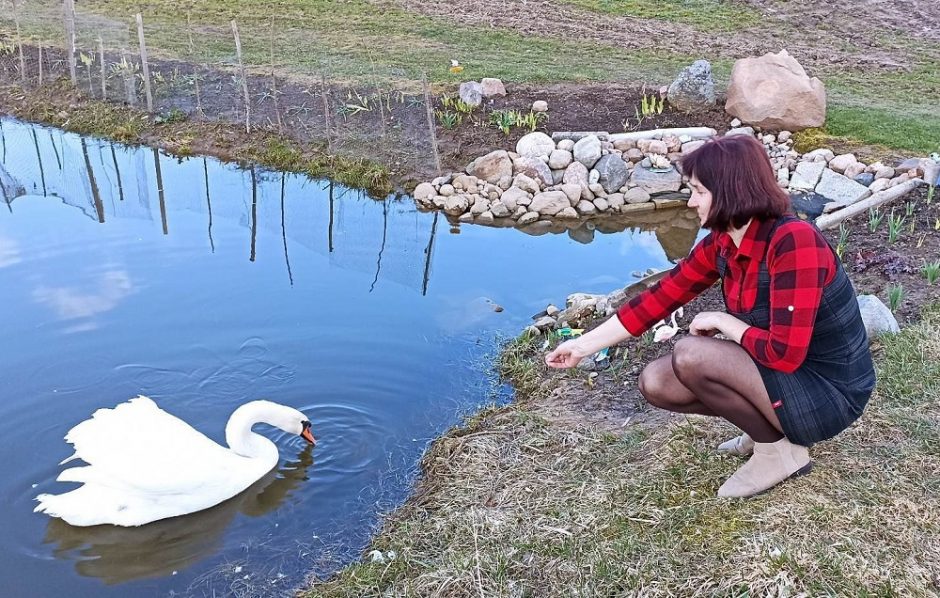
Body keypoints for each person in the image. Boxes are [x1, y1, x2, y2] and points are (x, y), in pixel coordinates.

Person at [545, 135, 876, 498]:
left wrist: (726, 323)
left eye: (699, 191)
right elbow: (660, 298)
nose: (690, 201)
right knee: (656, 381)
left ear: (731, 190)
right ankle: (767, 429)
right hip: (784, 376)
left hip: (829, 392)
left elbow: (785, 353)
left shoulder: (793, 242)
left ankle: (779, 453)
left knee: (691, 354)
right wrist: (582, 345)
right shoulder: (724, 242)